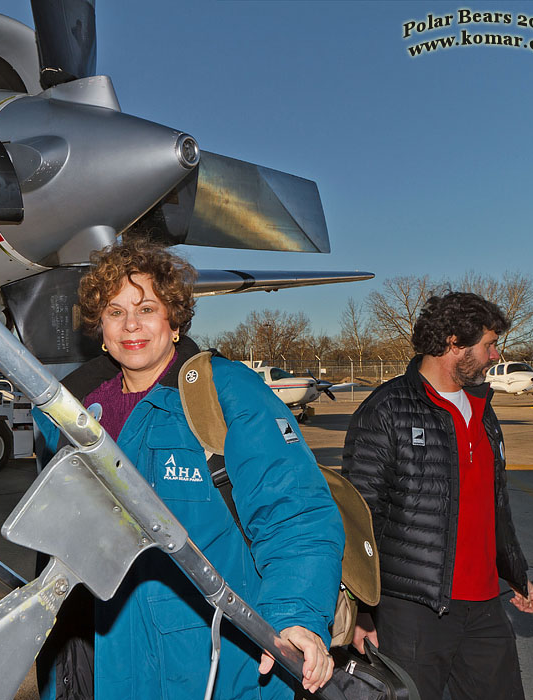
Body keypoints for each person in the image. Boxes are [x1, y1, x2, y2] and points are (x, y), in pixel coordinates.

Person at [33, 237, 344, 700]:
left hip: (221, 664)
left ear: (174, 320)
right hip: (109, 658)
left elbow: (295, 514)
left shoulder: (223, 393)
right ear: (100, 327)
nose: (131, 325)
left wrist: (296, 617)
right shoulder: (76, 414)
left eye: (147, 308)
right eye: (115, 312)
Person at [342, 292, 533, 700]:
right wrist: (362, 611)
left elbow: (493, 504)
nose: (494, 354)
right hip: (412, 608)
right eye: (488, 344)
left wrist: (515, 573)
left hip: (485, 604)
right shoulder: (387, 409)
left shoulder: (483, 409)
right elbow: (358, 516)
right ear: (454, 343)